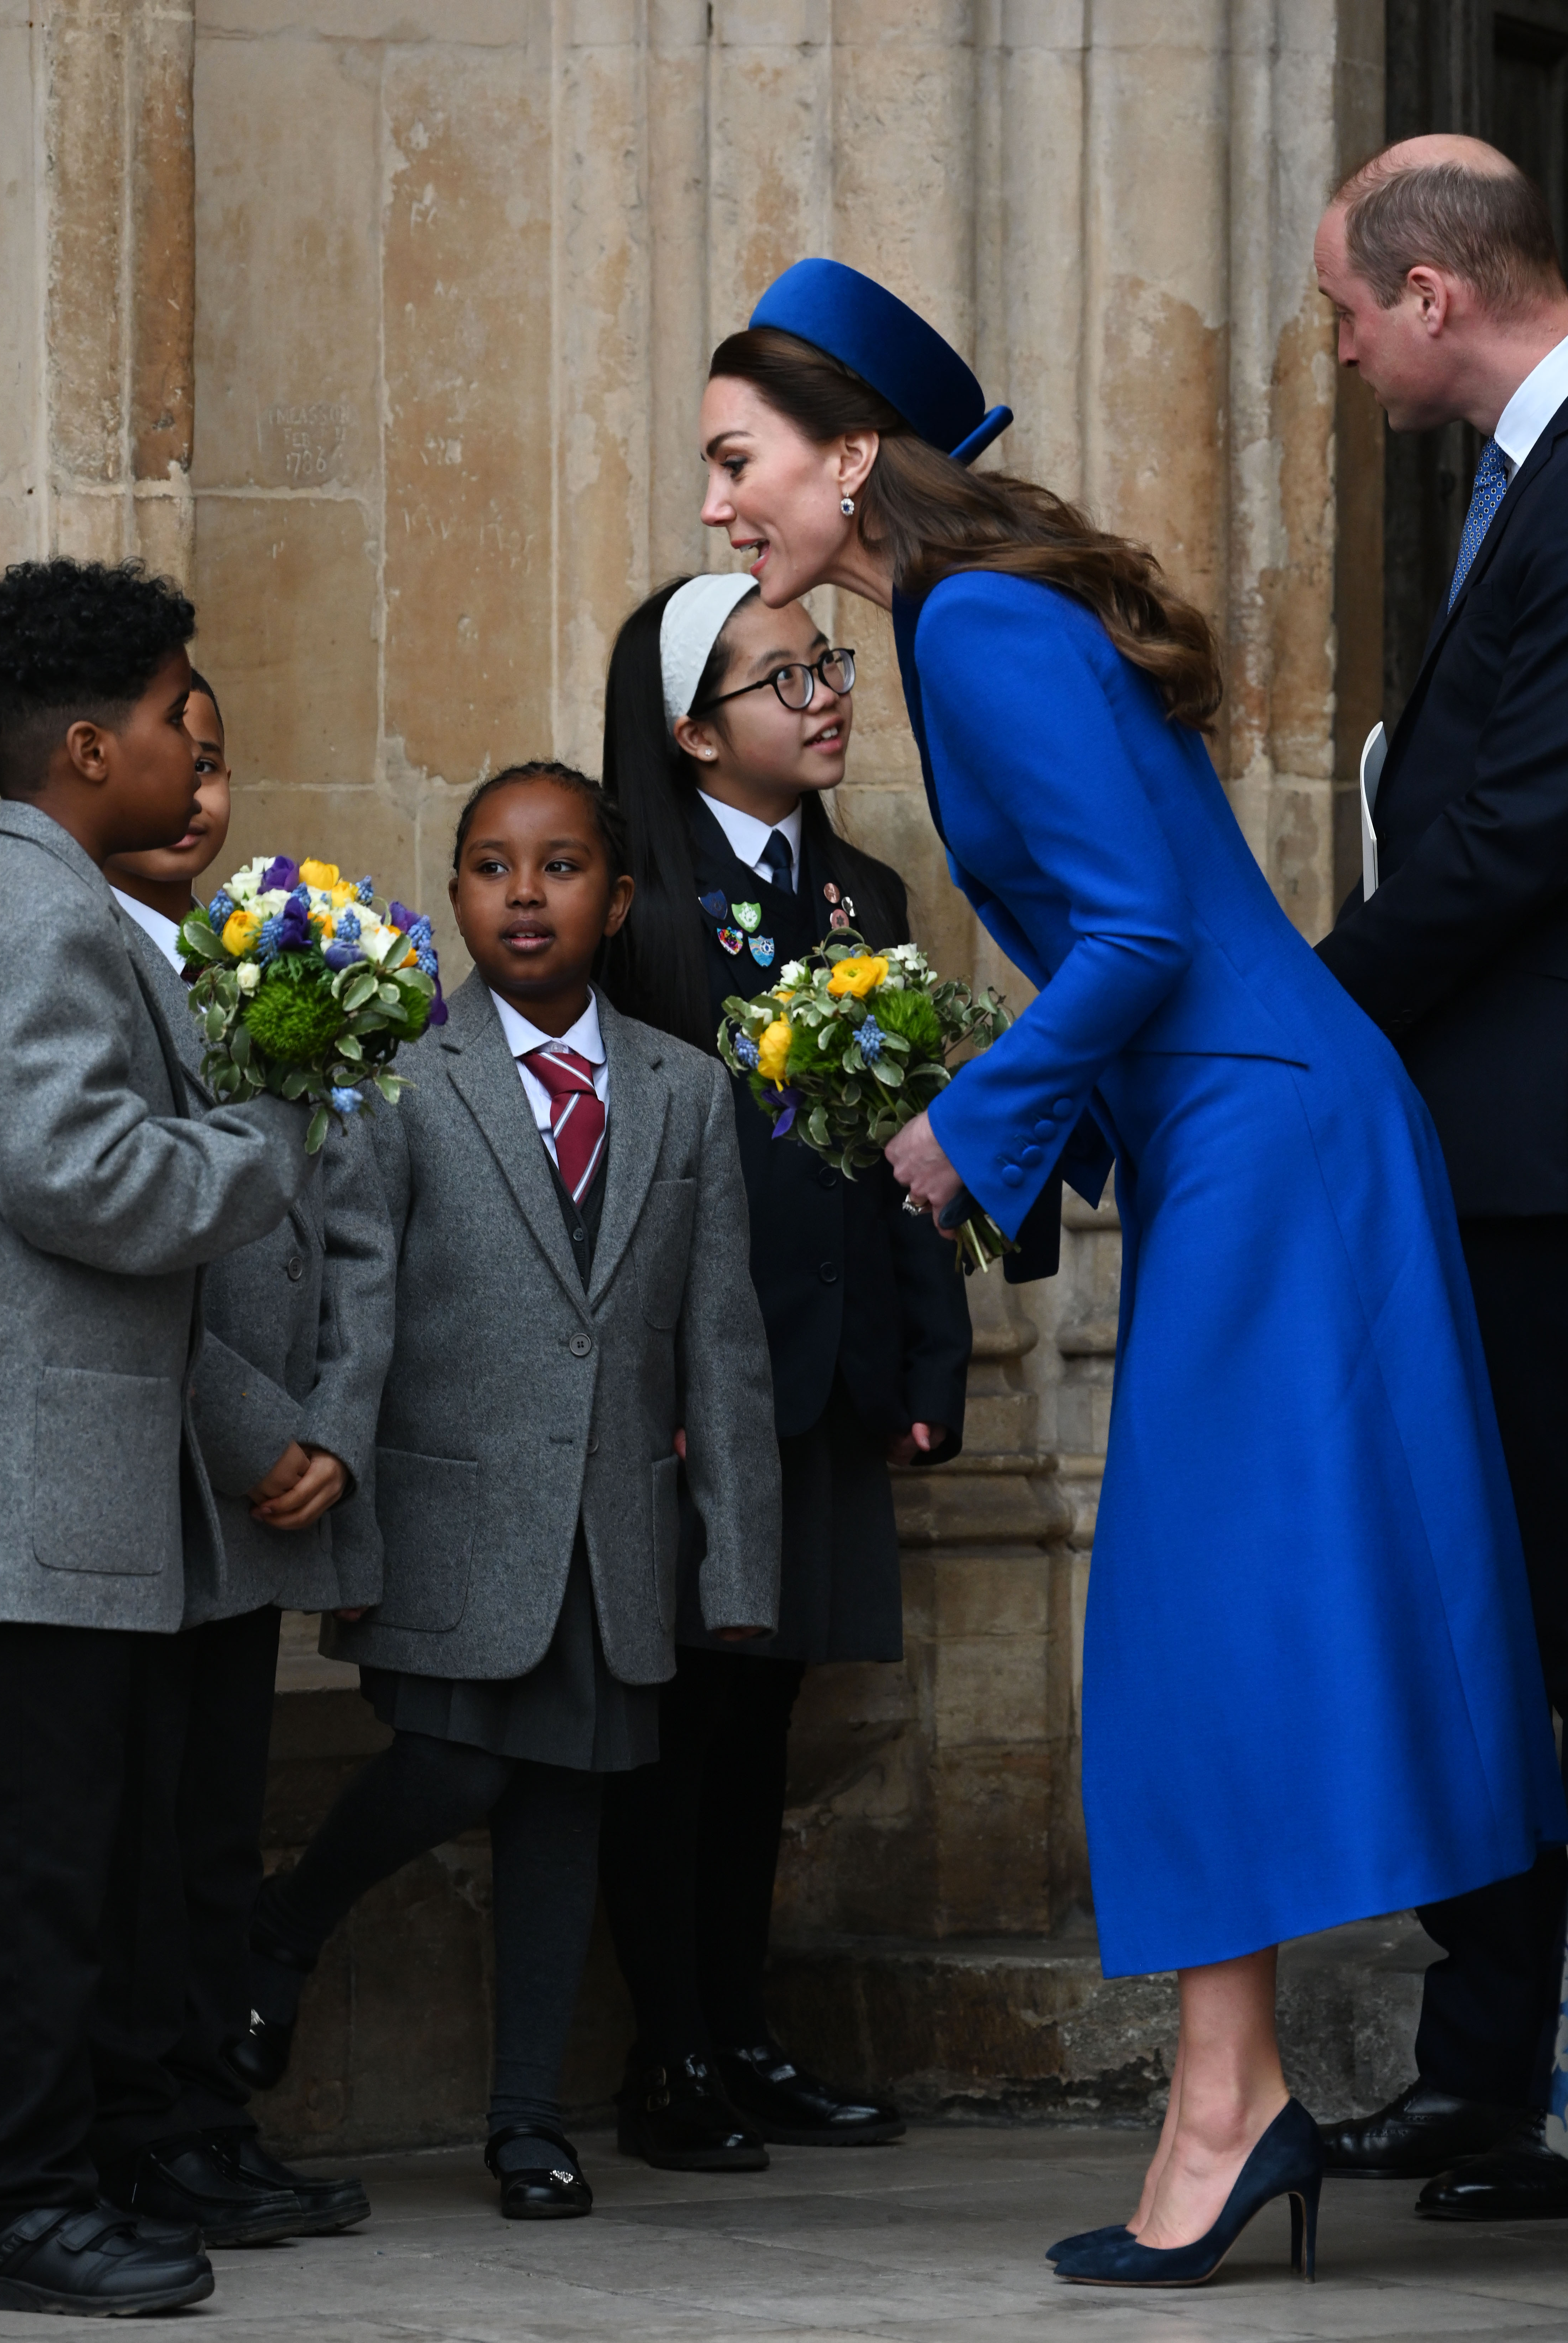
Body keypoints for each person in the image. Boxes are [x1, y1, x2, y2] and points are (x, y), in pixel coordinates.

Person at [692, 256, 1568, 2288]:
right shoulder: (968, 621)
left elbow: (1145, 944)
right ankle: (1230, 2090)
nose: (724, 503)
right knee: (1207, 1630)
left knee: (1188, 1629)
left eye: (743, 461)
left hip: (1272, 1141)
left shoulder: (978, 622)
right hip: (1258, 1131)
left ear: (850, 454)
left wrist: (970, 1125)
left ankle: (1227, 2102)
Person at [0, 559, 317, 2315]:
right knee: (35, 1873)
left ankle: (5, 2188)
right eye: (168, 712)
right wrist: (273, 1133)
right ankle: (3, 2206)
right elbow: (82, 1174)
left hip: (16, 1490)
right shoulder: (41, 918)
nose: (188, 743)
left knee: (28, 1859)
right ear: (81, 746)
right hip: (30, 1495)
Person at [222, 761, 781, 2219]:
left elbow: (718, 1343)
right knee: (464, 1765)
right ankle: (284, 1927)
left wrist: (737, 1566)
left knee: (564, 1811)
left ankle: (527, 2119)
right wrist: (339, 1502)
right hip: (448, 1518)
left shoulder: (684, 1091)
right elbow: (359, 1302)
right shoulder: (401, 1075)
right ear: (455, 892)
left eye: (558, 867)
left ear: (619, 896)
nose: (522, 895)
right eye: (487, 866)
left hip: (614, 1532)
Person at [595, 575, 970, 2165]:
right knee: (672, 1729)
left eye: (826, 663)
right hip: (691, 1391)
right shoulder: (636, 907)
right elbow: (613, 1174)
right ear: (689, 732)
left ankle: (744, 2037)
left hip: (820, 1372)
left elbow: (898, 1154)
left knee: (764, 1727)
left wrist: (924, 1364)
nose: (825, 693)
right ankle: (665, 2059)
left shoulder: (867, 899)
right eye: (780, 678)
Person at [1309, 138, 1568, 2221]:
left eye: (1340, 312)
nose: (1336, 351)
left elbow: (1506, 846)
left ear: (1432, 295)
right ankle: (1492, 2072)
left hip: (1552, 1169)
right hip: (1488, 1153)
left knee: (1534, 1620)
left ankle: (1524, 2078)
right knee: (1494, 1620)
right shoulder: (1500, 491)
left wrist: (1303, 1019)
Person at [90, 674, 389, 2243]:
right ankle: (142, 2127)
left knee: (217, 1825)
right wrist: (252, 1422)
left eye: (219, 765)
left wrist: (336, 1420)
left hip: (270, 1481)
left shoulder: (267, 969)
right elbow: (110, 1245)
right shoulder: (78, 966)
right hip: (151, 1469)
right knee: (133, 1828)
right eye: (175, 763)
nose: (201, 797)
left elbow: (349, 1222)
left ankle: (207, 2119)